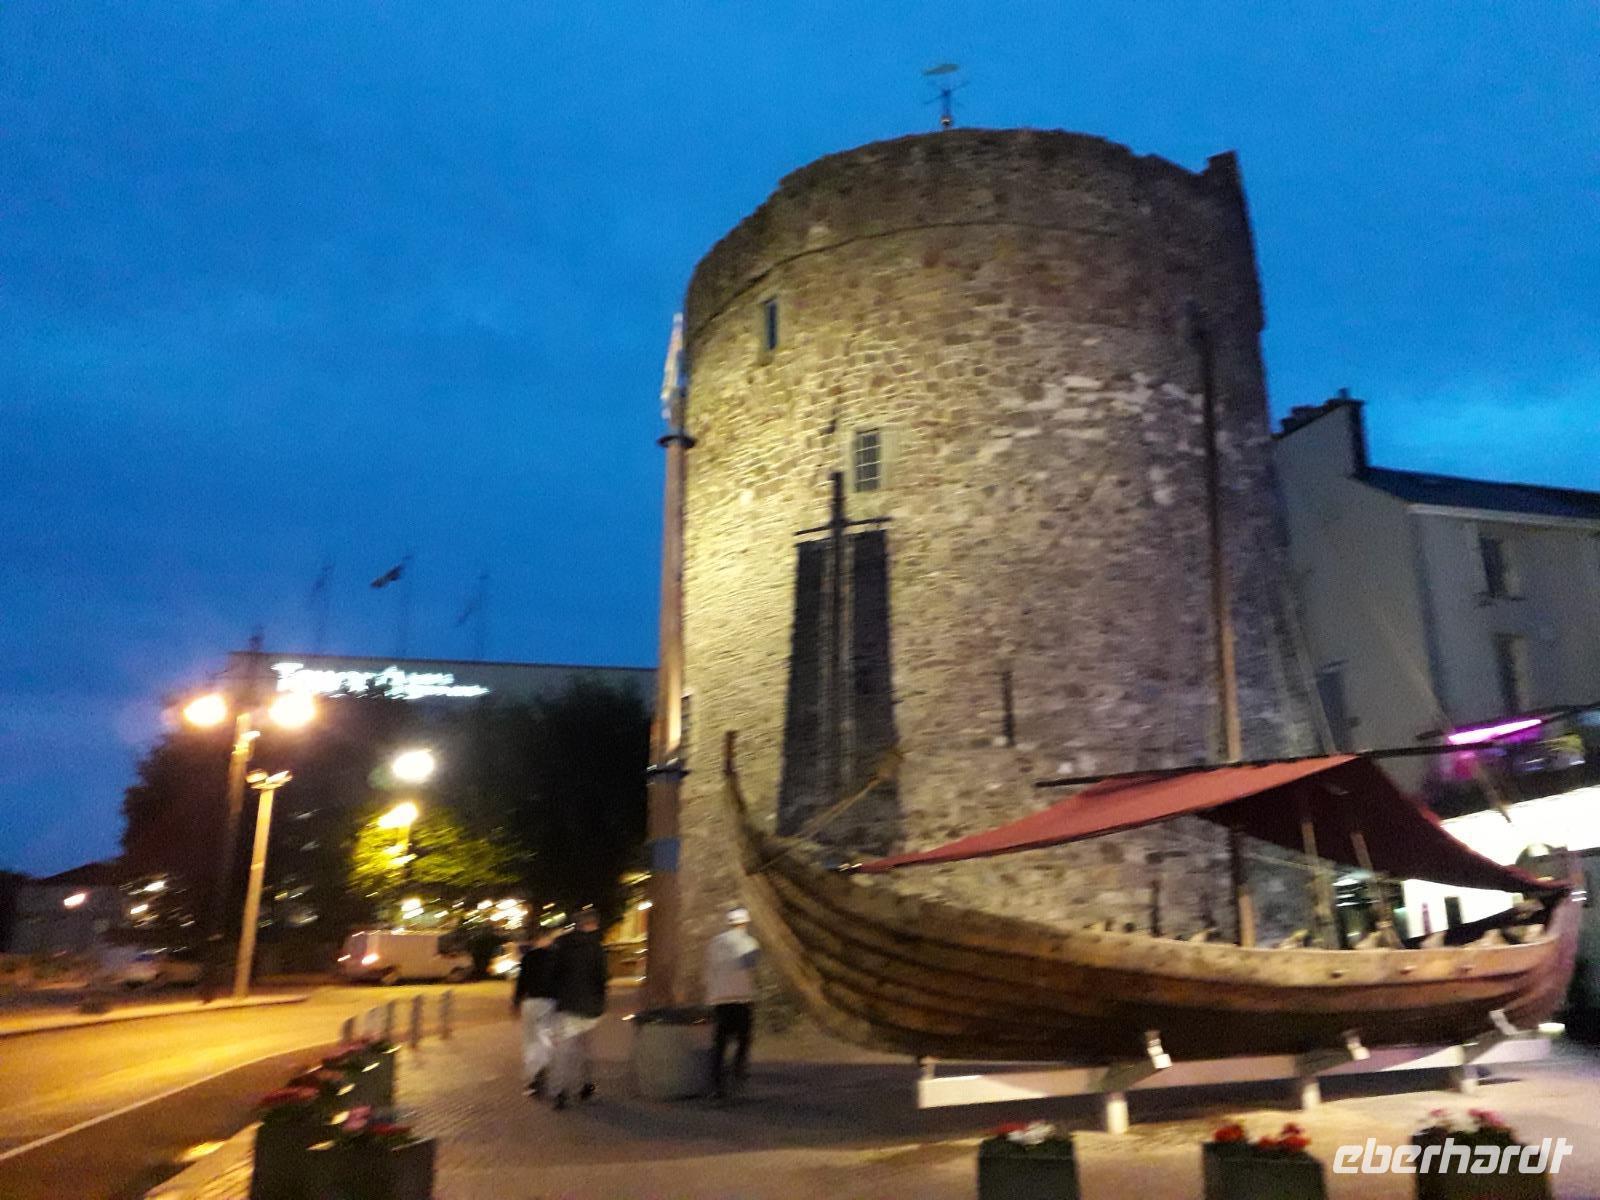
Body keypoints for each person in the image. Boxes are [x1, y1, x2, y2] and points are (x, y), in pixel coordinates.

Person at [547, 906, 608, 1110]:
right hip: (589, 1007)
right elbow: (602, 978)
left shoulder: (561, 944)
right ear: (592, 925)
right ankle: (585, 1086)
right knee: (586, 1049)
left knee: (563, 1050)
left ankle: (559, 1092)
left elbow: (553, 974)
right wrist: (600, 1004)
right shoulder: (596, 948)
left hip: (566, 1004)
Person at [704, 906, 760, 1102]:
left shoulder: (715, 943)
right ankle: (737, 1076)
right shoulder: (750, 942)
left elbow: (710, 968)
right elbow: (751, 965)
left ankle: (717, 1085)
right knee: (743, 1041)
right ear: (744, 923)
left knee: (719, 1044)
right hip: (742, 999)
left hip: (720, 1000)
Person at [511, 930, 558, 1097]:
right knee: (546, 1038)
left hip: (531, 1003)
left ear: (536, 940)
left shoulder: (528, 957)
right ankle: (544, 1068)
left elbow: (521, 982)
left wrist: (516, 1002)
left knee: (531, 1041)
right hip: (550, 1003)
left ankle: (534, 1077)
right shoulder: (556, 957)